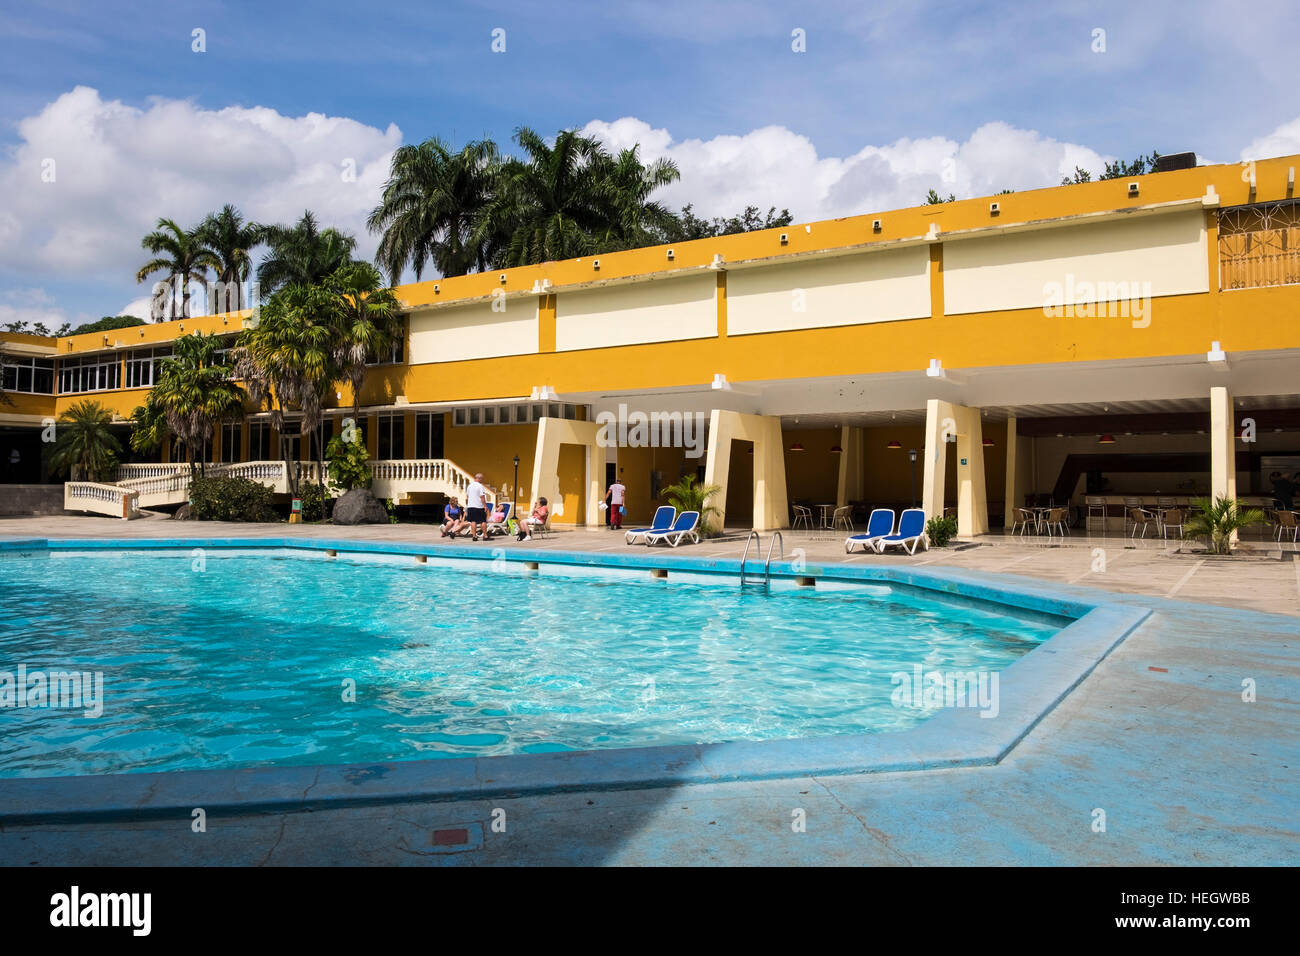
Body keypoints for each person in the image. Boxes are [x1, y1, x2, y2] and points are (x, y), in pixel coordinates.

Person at [464, 472, 489, 541]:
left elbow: (467, 497)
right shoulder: (480, 486)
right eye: (482, 479)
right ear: (479, 478)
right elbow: (482, 497)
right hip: (479, 506)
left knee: (473, 521)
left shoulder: (469, 486)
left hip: (471, 506)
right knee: (483, 521)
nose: (482, 480)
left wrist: (468, 505)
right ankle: (485, 535)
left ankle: (474, 536)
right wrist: (485, 506)